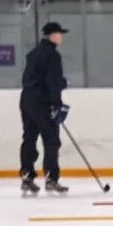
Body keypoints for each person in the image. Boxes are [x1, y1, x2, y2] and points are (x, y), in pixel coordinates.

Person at [19, 22, 70, 196]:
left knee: (29, 137)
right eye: (59, 34)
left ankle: (27, 176)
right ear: (52, 35)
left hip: (27, 101)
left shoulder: (32, 54)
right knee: (51, 140)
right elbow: (52, 82)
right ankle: (51, 178)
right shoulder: (53, 55)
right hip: (43, 103)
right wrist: (57, 104)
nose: (61, 37)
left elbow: (29, 78)